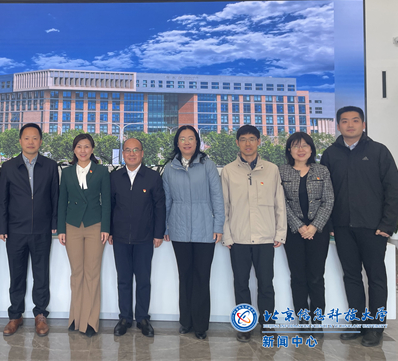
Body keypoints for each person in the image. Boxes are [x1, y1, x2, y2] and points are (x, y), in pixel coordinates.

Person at [321, 106, 398, 347]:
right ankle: (356, 322)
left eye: (355, 120)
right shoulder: (330, 154)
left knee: (376, 277)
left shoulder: (379, 151)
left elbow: (393, 189)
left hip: (373, 227)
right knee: (352, 276)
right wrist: (331, 224)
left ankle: (375, 326)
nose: (350, 125)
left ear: (363, 124)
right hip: (342, 227)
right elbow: (325, 192)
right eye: (345, 121)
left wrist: (387, 224)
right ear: (338, 126)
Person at [221, 125, 287, 342]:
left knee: (266, 284)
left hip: (265, 237)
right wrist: (227, 235)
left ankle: (268, 324)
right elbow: (224, 206)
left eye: (252, 139)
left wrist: (280, 233)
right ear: (237, 143)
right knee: (241, 284)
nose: (247, 143)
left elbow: (279, 203)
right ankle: (245, 325)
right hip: (238, 238)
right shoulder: (228, 171)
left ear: (259, 141)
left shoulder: (271, 169)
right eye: (243, 139)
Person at [162, 125, 225, 340]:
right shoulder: (170, 168)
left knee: (201, 277)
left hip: (205, 229)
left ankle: (200, 325)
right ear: (177, 143)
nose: (187, 142)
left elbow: (217, 198)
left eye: (191, 138)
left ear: (197, 142)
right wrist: (165, 227)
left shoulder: (207, 165)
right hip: (179, 229)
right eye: (182, 138)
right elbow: (166, 201)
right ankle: (186, 321)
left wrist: (218, 226)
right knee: (185, 276)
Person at [0, 123, 59, 337]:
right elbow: (2, 199)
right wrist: (2, 226)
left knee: (41, 274)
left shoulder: (50, 166)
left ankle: (40, 314)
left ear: (40, 141)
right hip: (15, 230)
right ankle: (15, 315)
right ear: (20, 141)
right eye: (26, 138)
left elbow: (55, 196)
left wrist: (54, 223)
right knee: (17, 275)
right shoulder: (8, 166)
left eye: (35, 138)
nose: (31, 142)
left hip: (42, 229)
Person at [109, 138, 166, 338]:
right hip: (120, 238)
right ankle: (124, 317)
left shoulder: (152, 177)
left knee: (143, 280)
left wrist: (158, 233)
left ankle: (142, 318)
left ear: (142, 153)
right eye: (127, 150)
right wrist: (109, 230)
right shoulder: (115, 177)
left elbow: (160, 206)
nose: (131, 154)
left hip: (145, 238)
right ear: (122, 154)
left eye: (136, 150)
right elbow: (110, 205)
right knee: (123, 280)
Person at [278, 132, 334, 334]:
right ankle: (303, 320)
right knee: (298, 277)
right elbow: (280, 203)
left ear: (311, 149)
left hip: (318, 232)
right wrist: (300, 226)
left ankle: (317, 322)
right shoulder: (281, 171)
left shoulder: (322, 171)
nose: (300, 150)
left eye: (305, 145)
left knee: (316, 277)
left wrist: (314, 226)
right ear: (289, 150)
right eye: (295, 146)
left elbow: (328, 200)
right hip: (293, 232)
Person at [57, 133, 111, 337]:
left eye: (86, 146)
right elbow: (62, 201)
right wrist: (61, 229)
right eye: (79, 146)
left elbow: (107, 201)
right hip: (72, 225)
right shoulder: (67, 172)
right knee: (77, 273)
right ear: (74, 149)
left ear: (92, 149)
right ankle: (75, 318)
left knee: (92, 273)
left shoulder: (101, 171)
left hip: (95, 225)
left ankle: (90, 321)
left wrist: (105, 227)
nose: (83, 150)